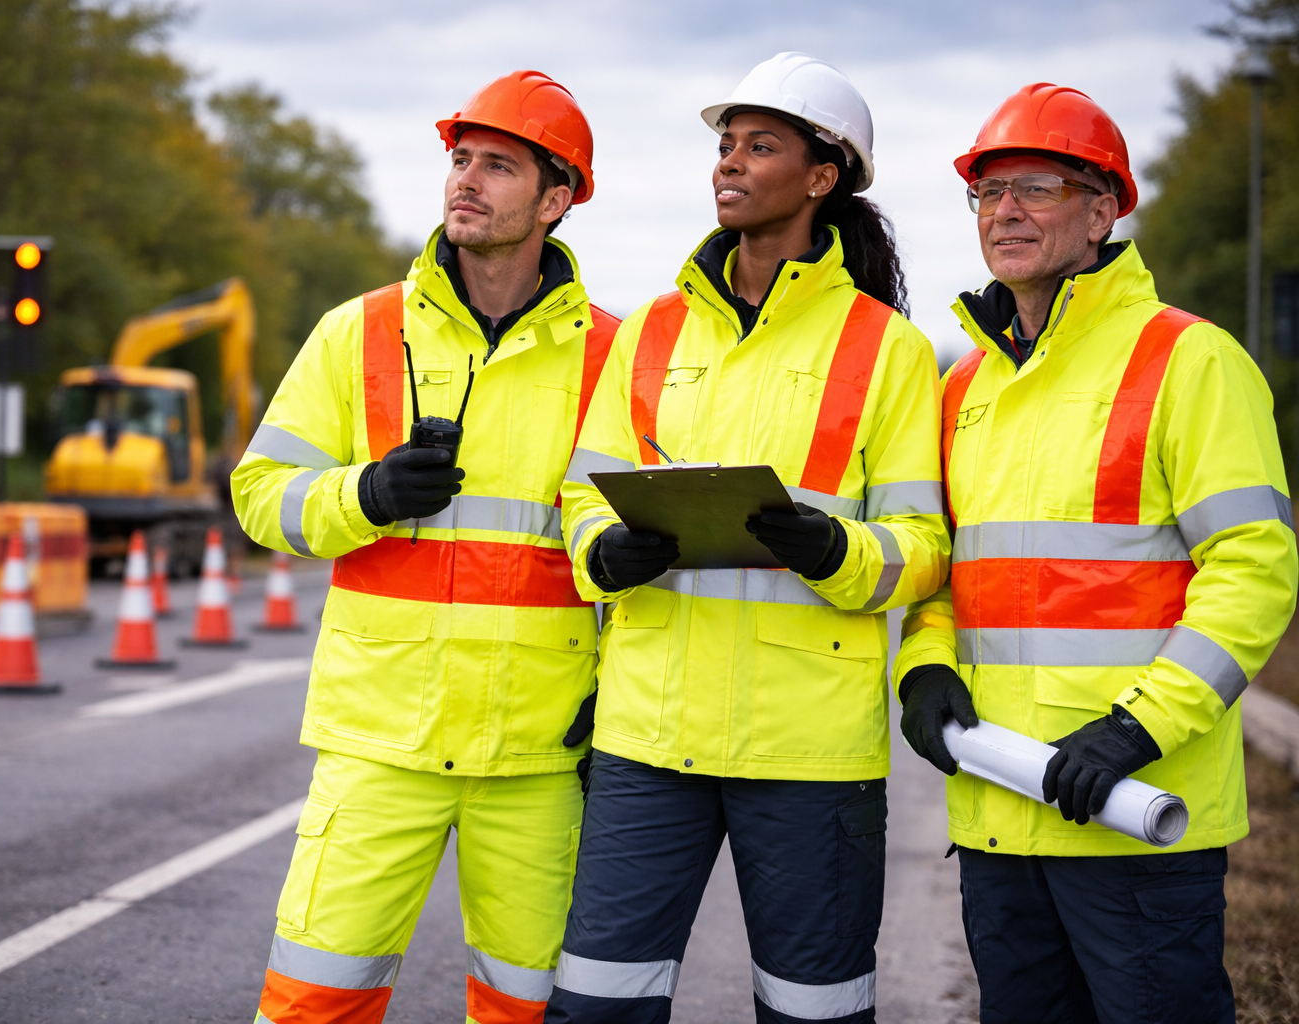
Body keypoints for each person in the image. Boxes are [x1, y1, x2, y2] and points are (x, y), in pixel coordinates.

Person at [548, 52, 949, 1024]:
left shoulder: (884, 347)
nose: (728, 162)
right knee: (597, 1006)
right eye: (725, 145)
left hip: (808, 754)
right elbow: (582, 493)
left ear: (822, 177)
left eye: (758, 146)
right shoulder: (648, 331)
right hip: (647, 739)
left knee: (814, 1010)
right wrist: (604, 553)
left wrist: (834, 551)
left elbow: (922, 545)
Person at [896, 82, 1298, 1024]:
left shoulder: (1190, 361)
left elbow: (1254, 569)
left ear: (1104, 208)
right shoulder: (965, 389)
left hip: (1132, 812)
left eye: (1033, 188)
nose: (1005, 213)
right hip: (1001, 813)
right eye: (988, 194)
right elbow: (944, 573)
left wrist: (1138, 729)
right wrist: (922, 668)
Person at [231, 70, 618, 1024]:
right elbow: (257, 495)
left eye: (498, 165)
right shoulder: (356, 331)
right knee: (314, 1003)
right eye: (459, 159)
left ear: (557, 199)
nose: (467, 181)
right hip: (379, 739)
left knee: (531, 1011)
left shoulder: (616, 354)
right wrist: (363, 494)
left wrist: (617, 707)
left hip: (540, 753)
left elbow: (630, 552)